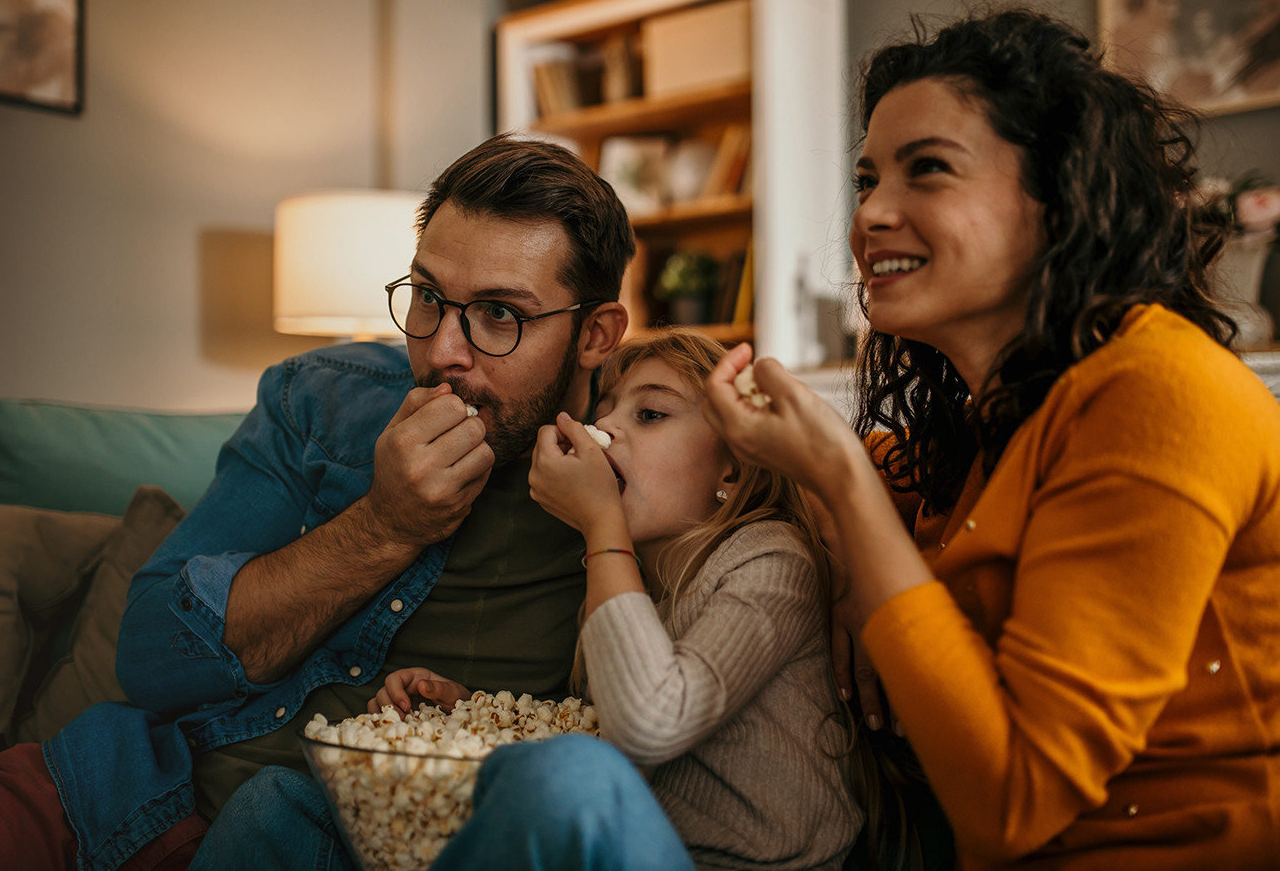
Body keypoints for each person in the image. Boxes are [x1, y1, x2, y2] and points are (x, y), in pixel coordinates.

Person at [0, 132, 635, 871]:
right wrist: (385, 526)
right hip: (146, 781)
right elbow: (153, 656)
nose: (444, 352)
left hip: (349, 839)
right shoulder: (320, 401)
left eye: (500, 316)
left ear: (595, 334)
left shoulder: (657, 458)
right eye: (430, 299)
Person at [704, 9, 1280, 867]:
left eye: (927, 170)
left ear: (1061, 198)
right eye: (866, 181)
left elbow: (1013, 803)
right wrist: (837, 505)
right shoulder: (986, 422)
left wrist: (844, 490)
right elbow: (872, 480)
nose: (871, 216)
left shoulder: (1161, 394)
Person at [199, 329, 862, 870]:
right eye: (605, 414)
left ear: (733, 467)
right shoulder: (626, 584)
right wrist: (476, 718)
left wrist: (601, 528)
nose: (605, 433)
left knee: (570, 773)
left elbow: (650, 724)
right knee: (280, 805)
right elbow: (608, 736)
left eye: (651, 414)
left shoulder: (770, 560)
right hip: (621, 849)